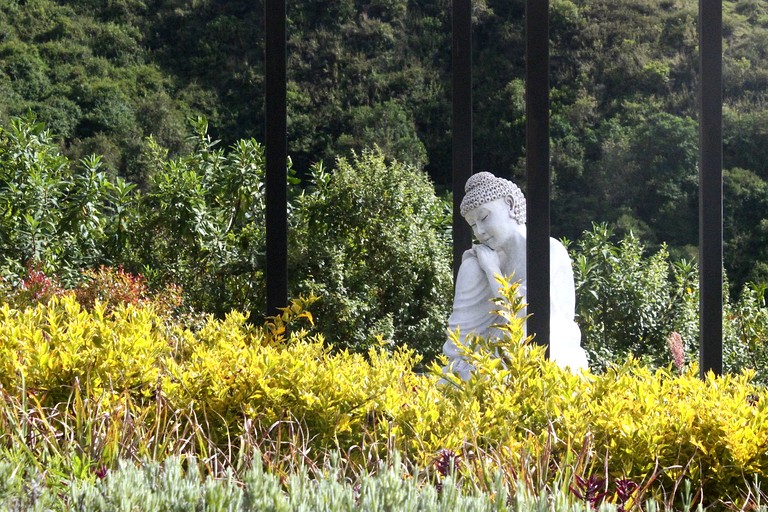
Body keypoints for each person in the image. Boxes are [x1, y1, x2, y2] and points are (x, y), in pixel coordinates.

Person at [443, 172, 588, 379]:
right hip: (501, 353)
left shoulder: (548, 250)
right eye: (473, 225)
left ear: (510, 205)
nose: (480, 231)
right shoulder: (485, 261)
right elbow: (462, 336)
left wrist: (492, 270)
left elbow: (524, 314)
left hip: (550, 349)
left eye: (484, 218)